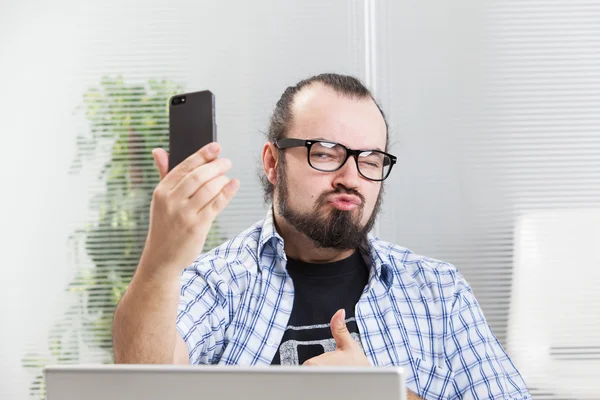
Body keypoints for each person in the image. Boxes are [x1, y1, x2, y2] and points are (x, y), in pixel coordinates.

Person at [112, 73, 531, 399]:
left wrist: (386, 397)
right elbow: (143, 383)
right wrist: (163, 260)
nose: (351, 177)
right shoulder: (218, 282)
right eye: (326, 153)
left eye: (370, 159)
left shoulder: (438, 291)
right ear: (273, 163)